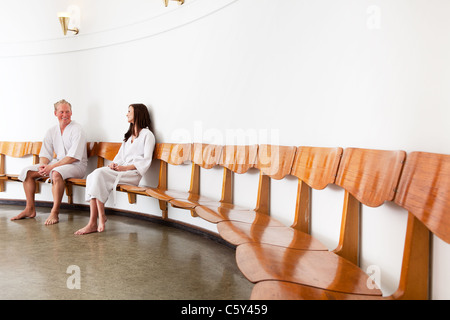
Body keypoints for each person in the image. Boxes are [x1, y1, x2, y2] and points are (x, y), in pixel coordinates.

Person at [75, 104, 155, 235]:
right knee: (92, 176)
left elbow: (146, 160)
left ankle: (96, 221)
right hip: (121, 170)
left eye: (129, 111)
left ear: (138, 114)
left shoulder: (148, 135)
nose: (126, 114)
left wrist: (125, 168)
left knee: (98, 174)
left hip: (132, 174)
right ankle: (98, 218)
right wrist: (113, 164)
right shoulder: (129, 136)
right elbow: (119, 157)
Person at [11, 99, 88, 225]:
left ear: (71, 112)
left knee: (56, 173)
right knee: (27, 172)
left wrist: (51, 167)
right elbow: (45, 153)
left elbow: (73, 157)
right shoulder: (52, 131)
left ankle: (54, 212)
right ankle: (29, 209)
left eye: (67, 111)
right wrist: (43, 165)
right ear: (55, 113)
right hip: (58, 163)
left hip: (76, 165)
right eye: (62, 112)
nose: (65, 115)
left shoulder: (78, 129)